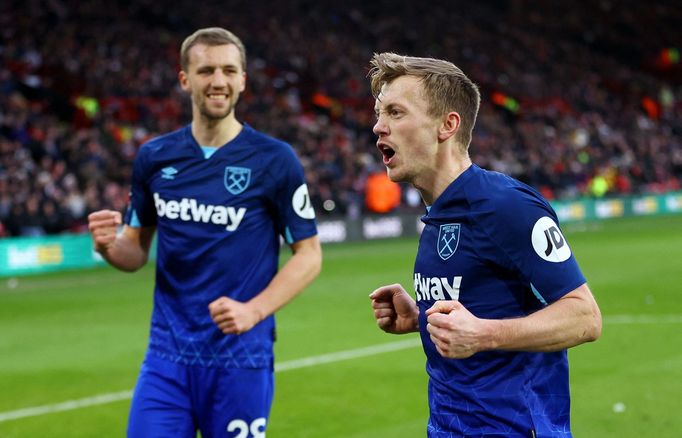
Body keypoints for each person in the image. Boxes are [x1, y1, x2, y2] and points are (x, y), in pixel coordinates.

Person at [87, 27, 321, 438]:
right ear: (185, 79)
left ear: (243, 80)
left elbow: (309, 254)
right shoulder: (155, 158)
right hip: (167, 357)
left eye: (229, 70)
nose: (218, 81)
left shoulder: (274, 160)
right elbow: (135, 252)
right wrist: (109, 246)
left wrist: (254, 310)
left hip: (240, 357)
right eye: (206, 70)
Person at [367, 52, 601, 437]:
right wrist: (420, 318)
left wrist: (483, 334)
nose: (378, 127)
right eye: (379, 113)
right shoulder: (437, 215)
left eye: (395, 112)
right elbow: (479, 308)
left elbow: (585, 317)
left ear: (447, 125)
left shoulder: (507, 205)